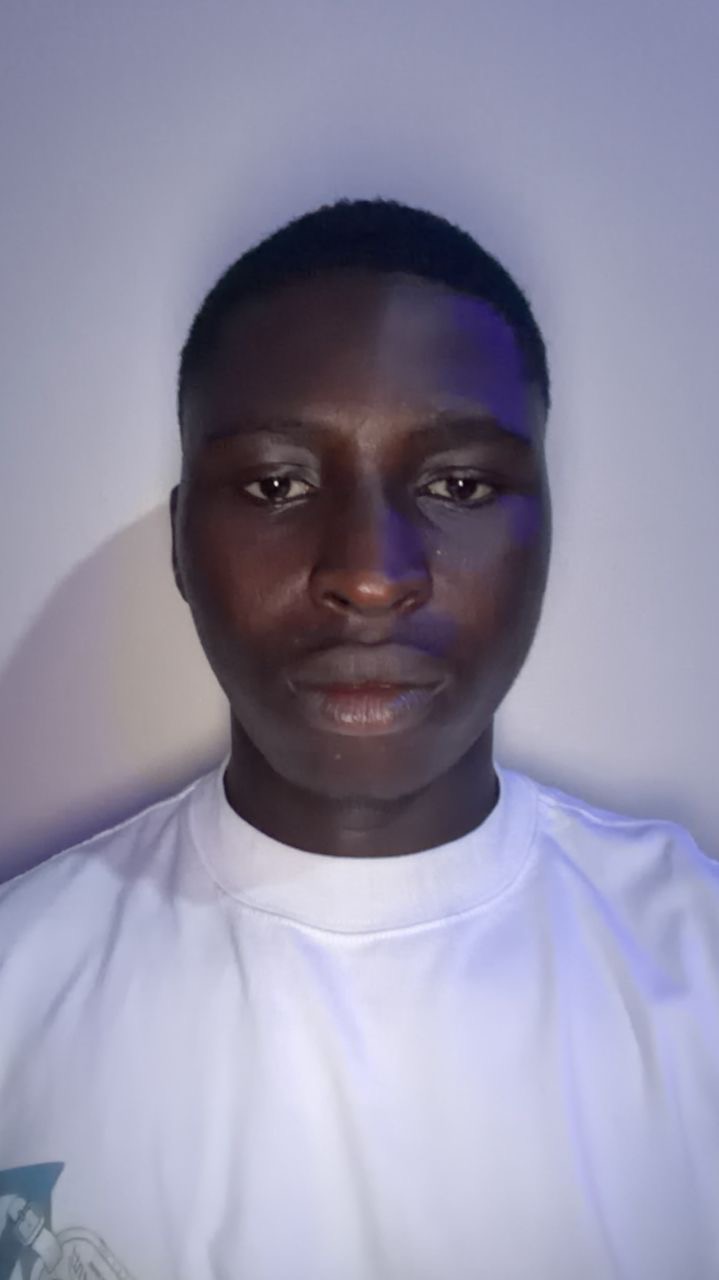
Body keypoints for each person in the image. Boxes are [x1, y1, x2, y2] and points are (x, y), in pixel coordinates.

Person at [0, 198, 717, 1280]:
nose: (371, 575)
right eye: (277, 484)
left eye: (458, 485)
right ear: (182, 542)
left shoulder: (698, 974)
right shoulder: (18, 987)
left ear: (546, 534)